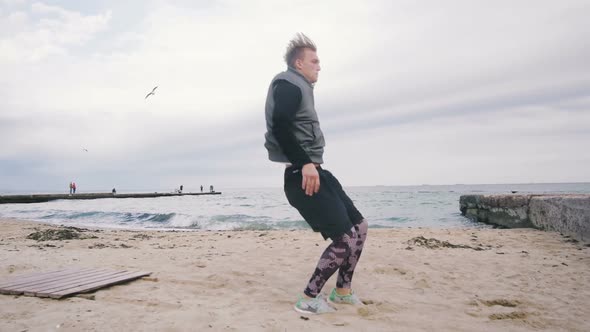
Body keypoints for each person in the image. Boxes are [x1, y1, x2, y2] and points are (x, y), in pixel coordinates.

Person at [263, 33, 368, 314]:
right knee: (345, 238)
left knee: (360, 228)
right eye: (314, 60)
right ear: (299, 63)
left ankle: (342, 291)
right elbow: (279, 125)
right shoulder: (288, 84)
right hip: (302, 175)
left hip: (315, 171)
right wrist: (305, 163)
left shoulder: (301, 87)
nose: (319, 66)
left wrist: (311, 164)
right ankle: (308, 298)